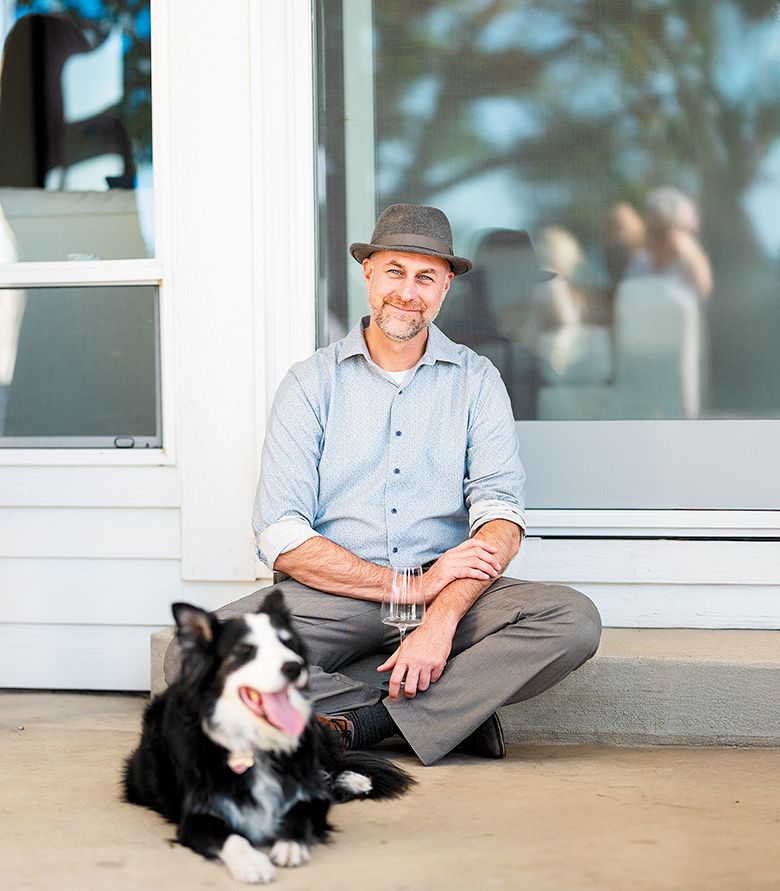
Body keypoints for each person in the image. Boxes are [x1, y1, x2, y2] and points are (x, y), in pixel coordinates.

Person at [165, 204, 602, 766]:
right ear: (368, 272)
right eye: (395, 270)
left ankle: (361, 721)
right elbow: (280, 533)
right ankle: (437, 715)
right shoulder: (310, 383)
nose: (408, 290)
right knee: (189, 656)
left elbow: (500, 515)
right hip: (335, 595)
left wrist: (438, 615)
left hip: (448, 591)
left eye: (426, 277)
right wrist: (406, 590)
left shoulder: (477, 380)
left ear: (445, 287)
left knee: (571, 619)